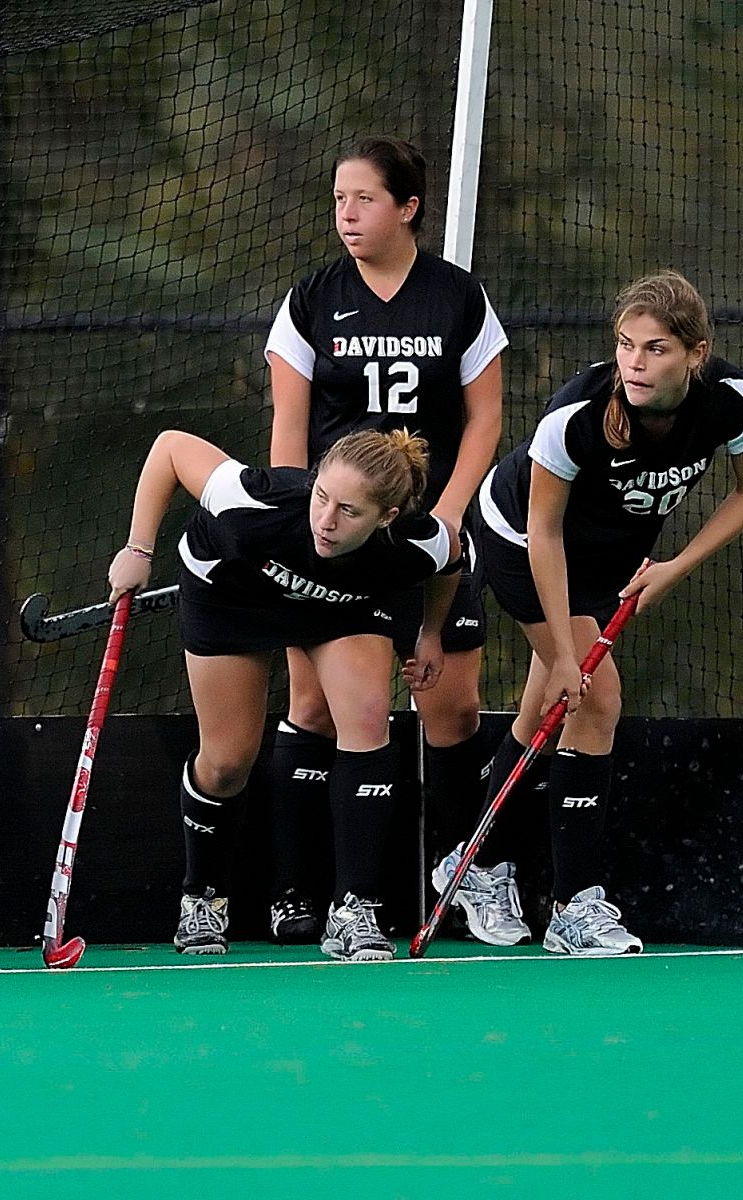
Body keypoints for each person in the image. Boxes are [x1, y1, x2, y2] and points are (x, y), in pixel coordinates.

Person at [449, 269, 743, 955]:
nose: (634, 362)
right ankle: (574, 906)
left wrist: (674, 567)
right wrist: (568, 657)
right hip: (519, 540)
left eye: (655, 348)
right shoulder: (576, 418)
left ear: (696, 352)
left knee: (549, 707)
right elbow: (542, 531)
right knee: (594, 701)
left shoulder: (734, 403)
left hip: (606, 561)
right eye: (627, 344)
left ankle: (474, 865)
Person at [264, 136, 507, 944]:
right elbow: (289, 428)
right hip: (333, 539)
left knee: (452, 703)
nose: (346, 214)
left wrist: (450, 515)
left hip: (422, 542)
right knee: (314, 708)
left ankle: (464, 878)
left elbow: (485, 419)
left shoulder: (458, 298)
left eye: (364, 199)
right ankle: (301, 890)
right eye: (339, 199)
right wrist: (303, 530)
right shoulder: (310, 300)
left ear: (407, 208)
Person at [109, 428, 462, 961]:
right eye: (322, 496)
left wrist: (431, 633)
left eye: (348, 511)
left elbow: (451, 561)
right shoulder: (253, 499)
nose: (326, 520)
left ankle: (354, 909)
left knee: (368, 720)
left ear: (387, 517)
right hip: (231, 593)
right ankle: (202, 897)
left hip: (337, 606)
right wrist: (138, 548)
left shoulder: (416, 540)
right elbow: (170, 448)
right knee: (227, 762)